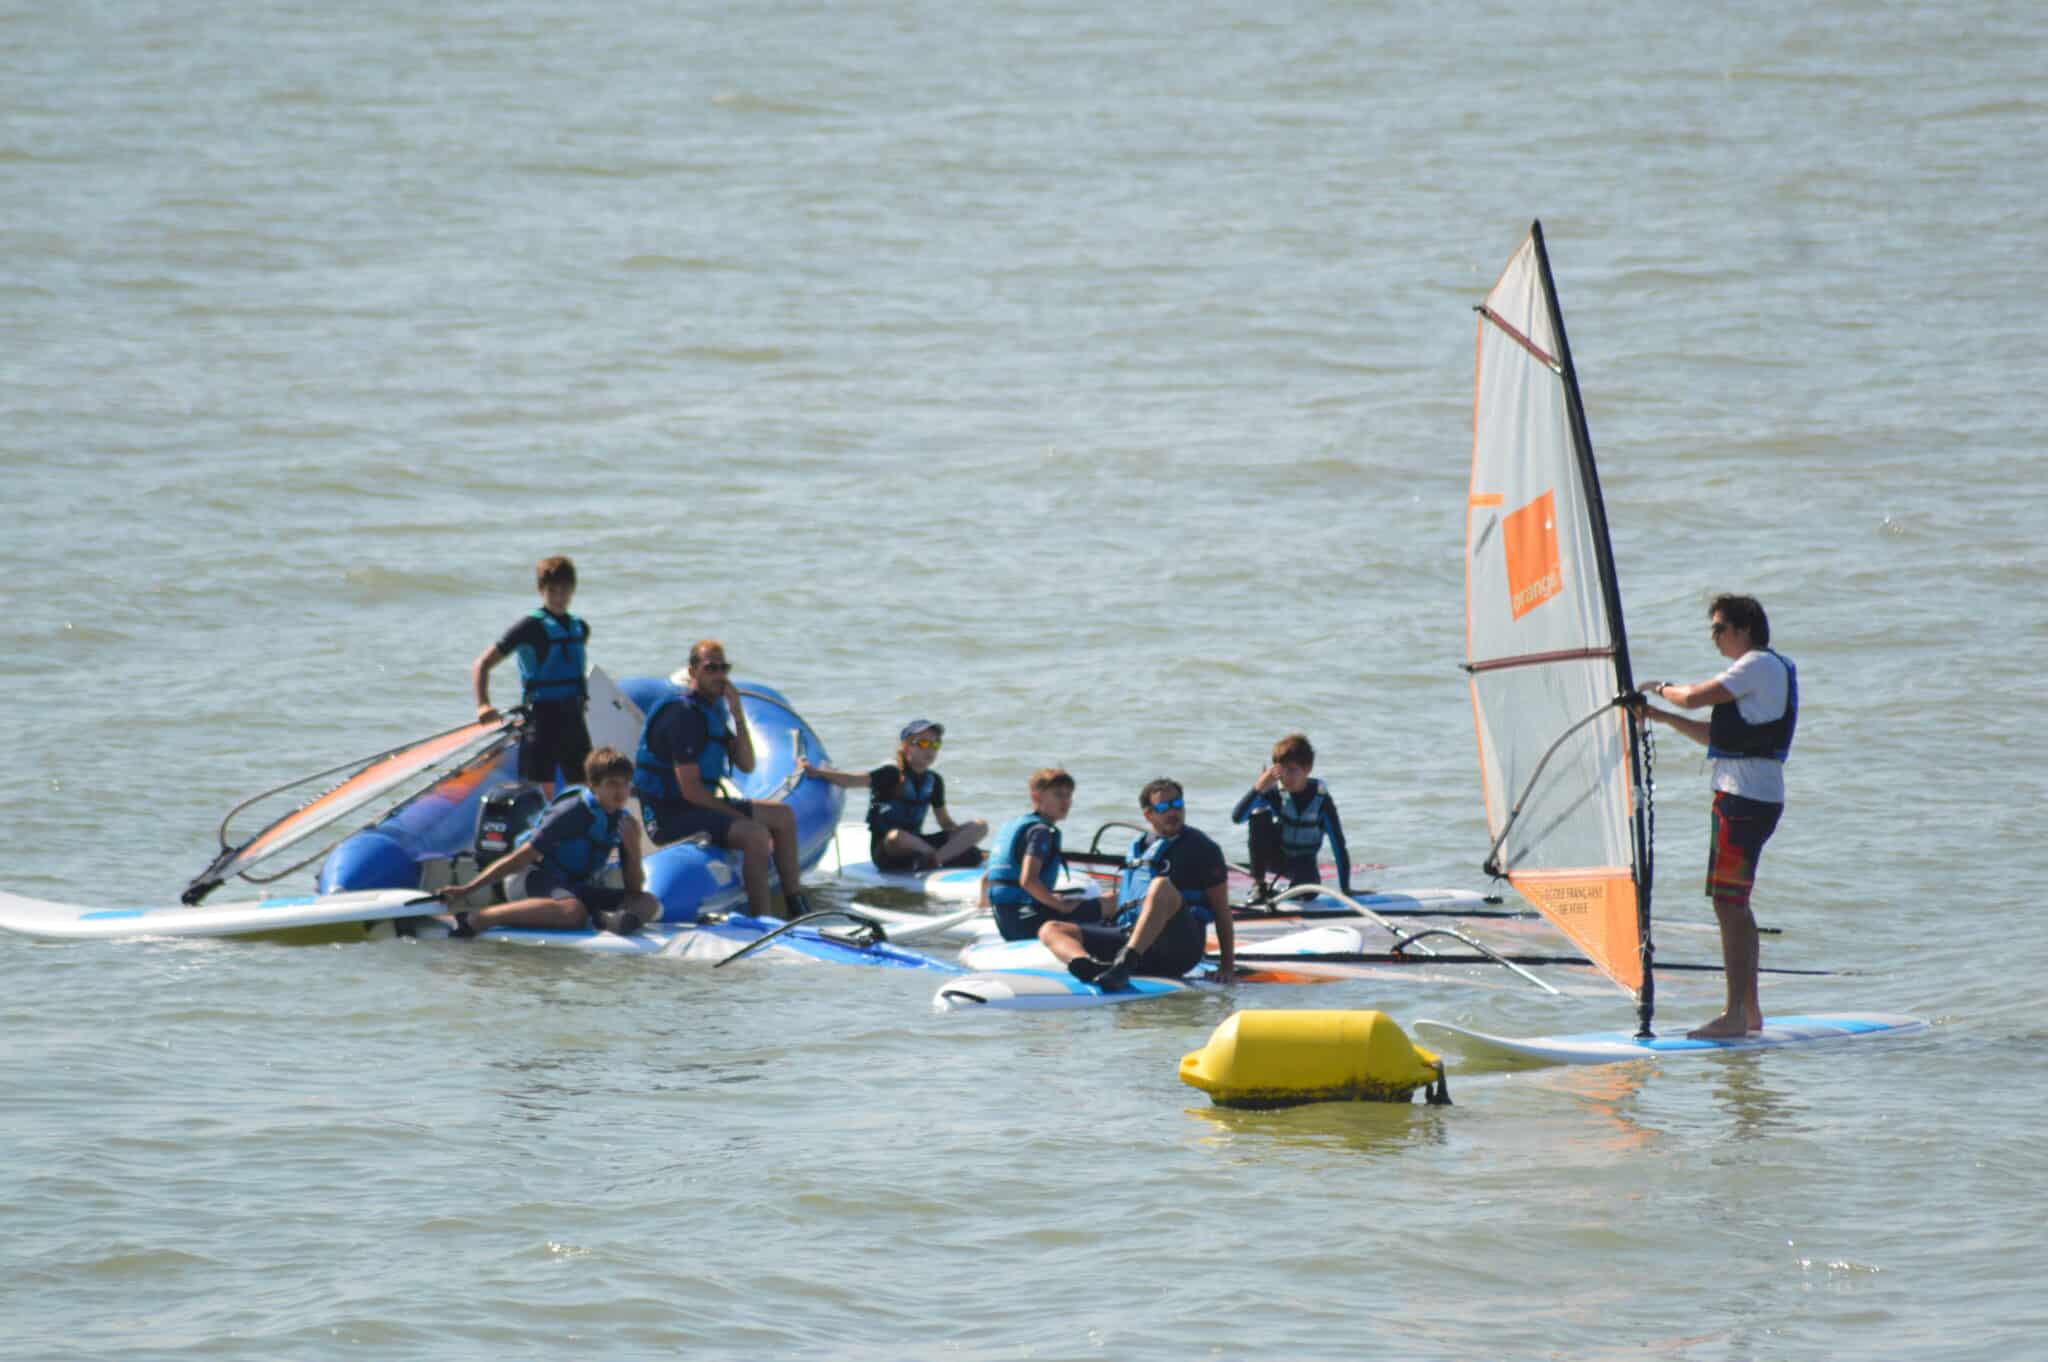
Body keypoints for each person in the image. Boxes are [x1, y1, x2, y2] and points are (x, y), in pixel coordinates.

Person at [1631, 594, 1797, 1039]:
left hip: (1743, 800)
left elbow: (1692, 698)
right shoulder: (1761, 676)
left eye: (1719, 629)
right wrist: (1658, 718)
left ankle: (1734, 1015)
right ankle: (1750, 1011)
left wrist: (1657, 687)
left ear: (1743, 629)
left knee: (1728, 902)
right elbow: (1715, 733)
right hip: (1751, 796)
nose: (1714, 637)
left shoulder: (1756, 665)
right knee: (1735, 903)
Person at [632, 639, 813, 919]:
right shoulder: (682, 715)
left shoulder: (710, 712)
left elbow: (747, 763)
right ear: (693, 672)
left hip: (699, 807)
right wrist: (736, 816)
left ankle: (795, 903)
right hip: (671, 816)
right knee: (755, 835)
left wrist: (738, 713)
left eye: (723, 668)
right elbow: (690, 790)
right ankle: (760, 919)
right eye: (710, 668)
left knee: (783, 815)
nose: (719, 675)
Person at [436, 747, 659, 938]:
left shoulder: (624, 821)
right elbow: (523, 856)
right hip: (528, 877)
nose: (620, 792)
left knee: (647, 902)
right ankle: (476, 918)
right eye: (611, 784)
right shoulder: (573, 811)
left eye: (625, 784)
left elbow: (633, 889)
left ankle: (612, 922)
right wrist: (468, 889)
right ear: (594, 786)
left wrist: (633, 848)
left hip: (570, 888)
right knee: (574, 912)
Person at [1039, 778, 1235, 990]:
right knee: (1051, 929)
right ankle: (1088, 967)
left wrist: (1227, 967)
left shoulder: (1202, 848)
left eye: (1177, 805)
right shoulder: (1139, 848)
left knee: (1161, 886)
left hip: (1178, 949)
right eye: (1163, 807)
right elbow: (1129, 901)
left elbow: (1222, 910)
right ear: (1148, 815)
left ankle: (1124, 964)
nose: (1173, 812)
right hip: (1133, 940)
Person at [469, 555, 592, 791]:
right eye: (552, 591)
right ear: (540, 590)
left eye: (564, 590)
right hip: (541, 718)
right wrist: (483, 704)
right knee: (539, 788)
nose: (559, 597)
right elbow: (482, 664)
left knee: (583, 784)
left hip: (573, 717)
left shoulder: (579, 627)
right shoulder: (528, 628)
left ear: (573, 589)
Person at [798, 719, 988, 871]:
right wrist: (819, 772)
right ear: (905, 747)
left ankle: (935, 859)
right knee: (897, 836)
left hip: (918, 845)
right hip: (889, 850)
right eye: (922, 743)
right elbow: (852, 780)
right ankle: (942, 857)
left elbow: (945, 822)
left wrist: (960, 837)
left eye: (935, 744)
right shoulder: (890, 773)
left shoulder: (934, 781)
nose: (929, 749)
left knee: (980, 826)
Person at [1229, 732, 1355, 900]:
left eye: (1292, 770)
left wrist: (1346, 888)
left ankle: (1286, 891)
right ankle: (1259, 885)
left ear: (1307, 769)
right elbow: (1238, 817)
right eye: (1281, 771)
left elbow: (1338, 845)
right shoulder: (1275, 794)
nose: (1286, 777)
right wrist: (1258, 788)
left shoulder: (1322, 801)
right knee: (1258, 815)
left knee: (1308, 894)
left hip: (1304, 863)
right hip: (1277, 857)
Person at [979, 767, 1100, 941]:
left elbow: (987, 879)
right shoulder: (1040, 832)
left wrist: (983, 905)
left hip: (1007, 919)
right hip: (1030, 921)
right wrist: (1060, 905)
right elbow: (1028, 881)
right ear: (1037, 797)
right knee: (1110, 902)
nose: (1066, 801)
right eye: (1058, 795)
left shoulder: (1015, 826)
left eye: (1069, 795)